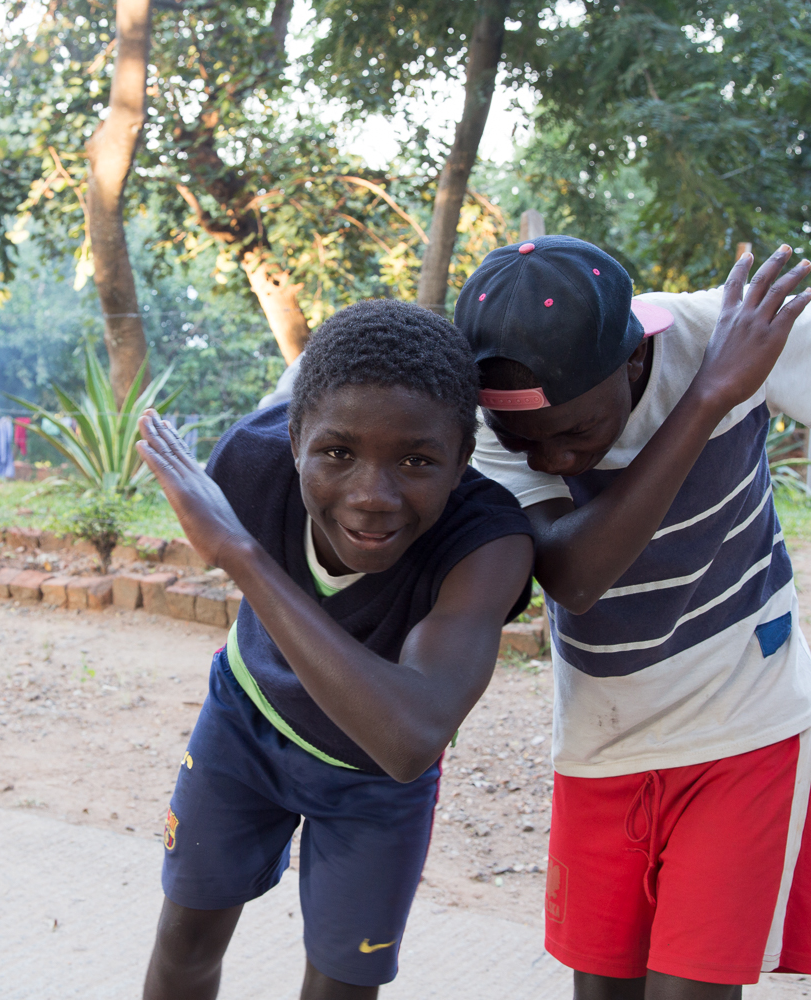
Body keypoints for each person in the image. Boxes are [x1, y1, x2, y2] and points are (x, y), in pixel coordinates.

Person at [454, 235, 811, 999]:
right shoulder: (495, 416)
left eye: (576, 433)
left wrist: (714, 377)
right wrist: (711, 396)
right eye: (525, 443)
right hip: (602, 745)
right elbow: (575, 576)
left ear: (636, 359)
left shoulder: (724, 332)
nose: (553, 461)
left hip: (746, 725)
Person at [133, 299, 535, 999]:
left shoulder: (489, 545)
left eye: (416, 459)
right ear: (294, 440)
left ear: (462, 460)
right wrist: (245, 541)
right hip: (245, 723)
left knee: (343, 983)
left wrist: (241, 555)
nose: (372, 495)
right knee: (186, 939)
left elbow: (409, 739)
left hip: (375, 780)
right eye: (337, 452)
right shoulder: (250, 468)